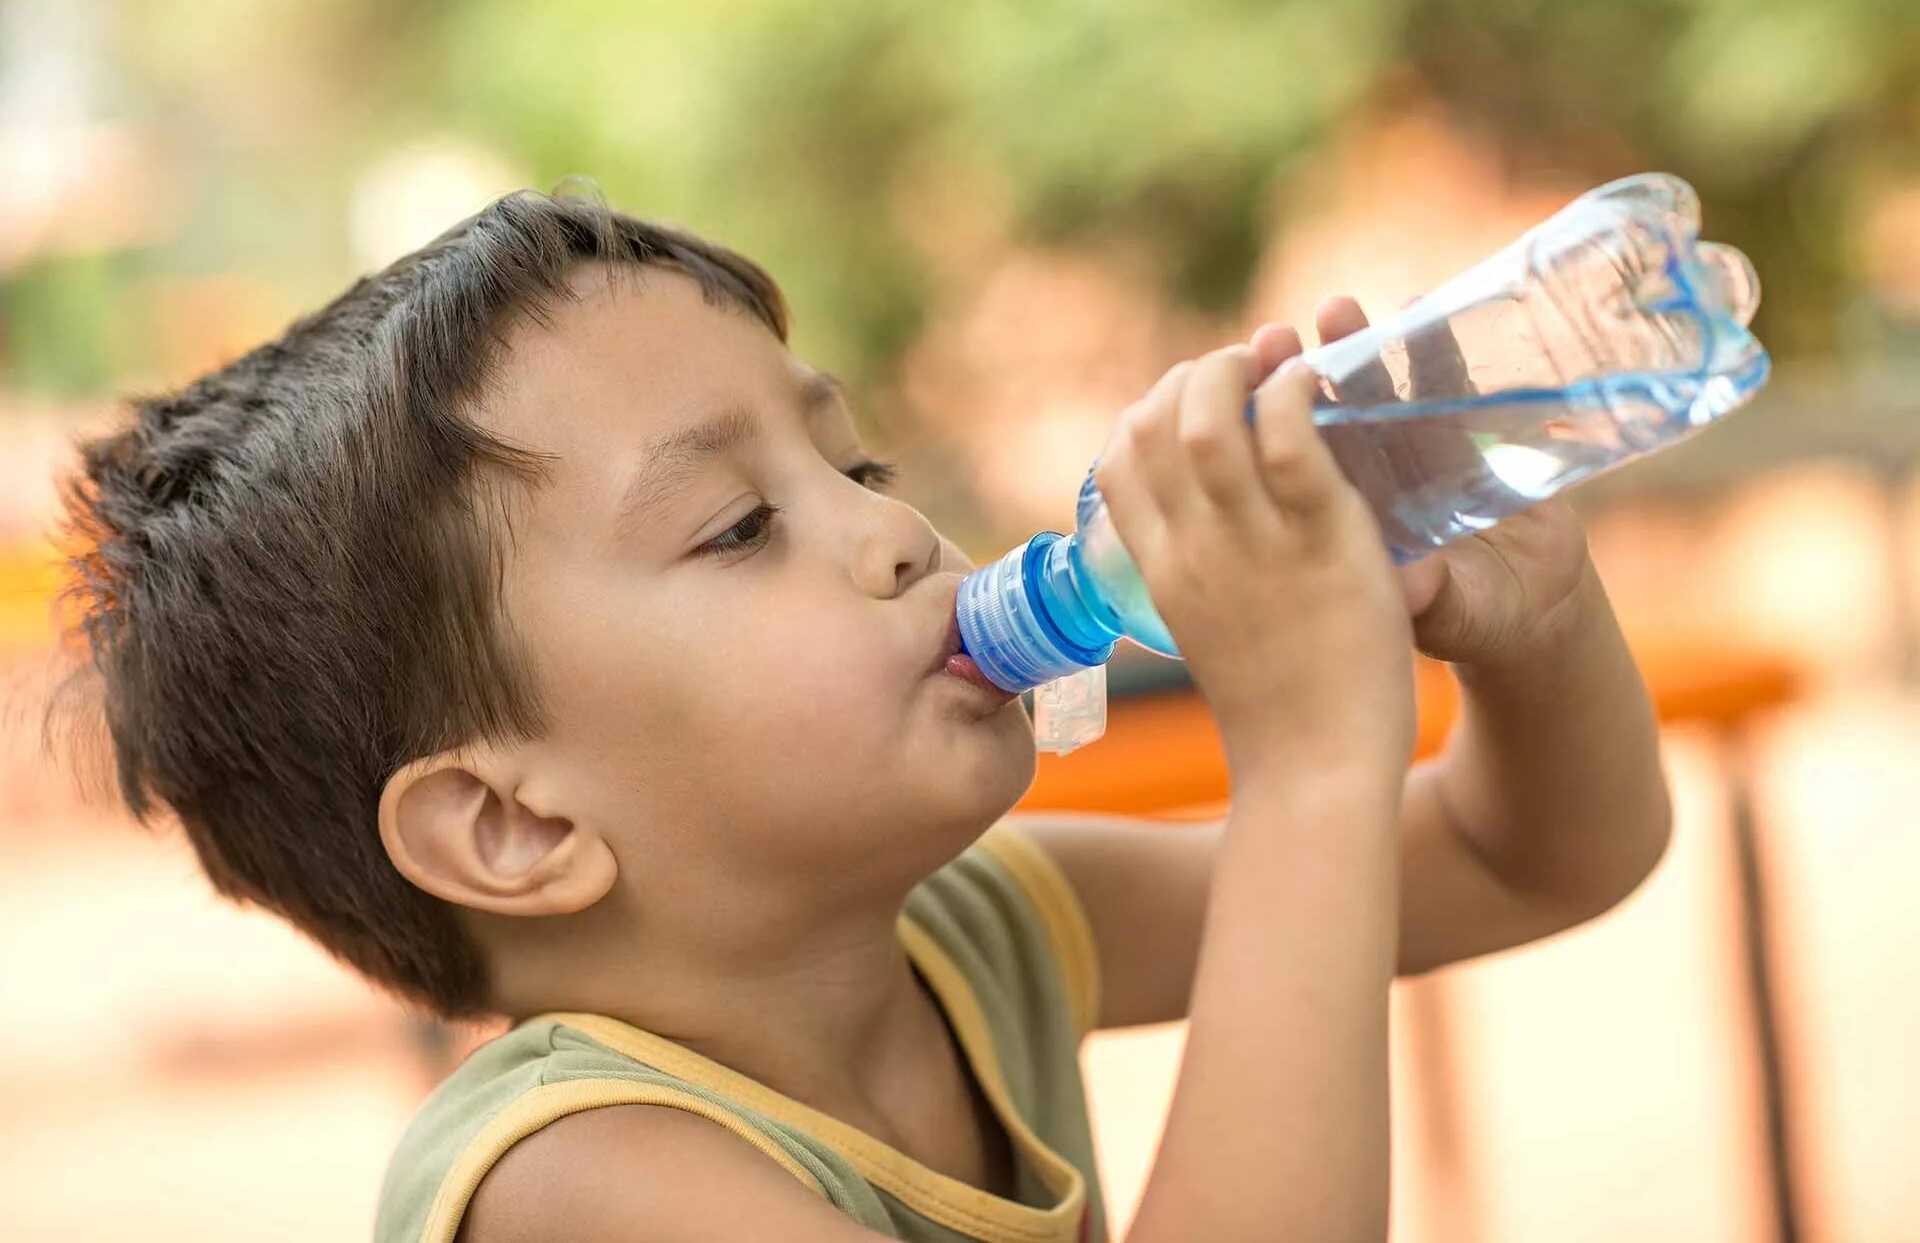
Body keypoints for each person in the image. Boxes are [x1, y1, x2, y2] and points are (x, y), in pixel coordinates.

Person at [48, 186, 1671, 1242]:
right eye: (740, 527)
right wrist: (1311, 759)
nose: (895, 533)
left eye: (855, 466)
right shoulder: (585, 1179)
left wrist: (1534, 628)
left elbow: (1539, 856)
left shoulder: (978, 934)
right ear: (517, 823)